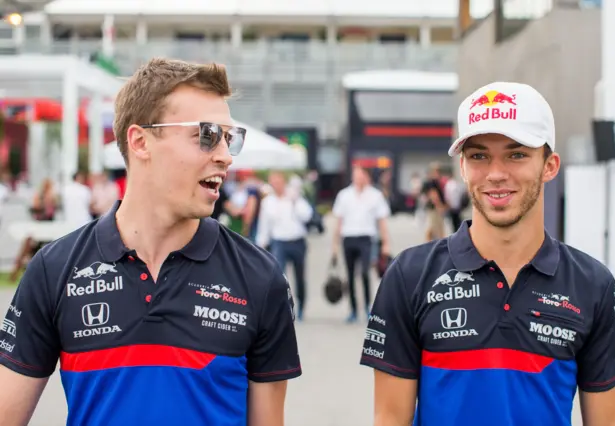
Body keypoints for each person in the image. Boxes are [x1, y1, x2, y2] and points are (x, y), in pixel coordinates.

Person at [0, 58, 301, 426]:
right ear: (140, 142)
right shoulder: (54, 270)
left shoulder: (259, 277)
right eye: (206, 134)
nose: (224, 155)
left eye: (229, 137)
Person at [360, 82, 615, 426]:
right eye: (479, 156)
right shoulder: (409, 275)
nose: (495, 173)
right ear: (462, 167)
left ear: (549, 166)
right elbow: (388, 419)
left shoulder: (592, 284)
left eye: (516, 154)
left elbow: (607, 422)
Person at [332, 166, 391, 323]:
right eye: (355, 175)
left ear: (367, 177)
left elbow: (382, 221)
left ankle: (367, 307)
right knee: (350, 275)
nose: (357, 178)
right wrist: (334, 246)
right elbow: (338, 222)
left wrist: (386, 243)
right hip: (348, 238)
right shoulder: (344, 195)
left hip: (366, 238)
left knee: (365, 273)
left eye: (360, 175)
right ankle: (352, 310)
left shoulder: (375, 195)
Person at [256, 171, 313, 321]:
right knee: (279, 278)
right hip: (279, 242)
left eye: (278, 181)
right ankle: (283, 307)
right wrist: (260, 245)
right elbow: (264, 225)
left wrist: (295, 201)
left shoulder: (294, 197)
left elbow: (307, 216)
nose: (276, 185)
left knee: (299, 276)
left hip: (297, 240)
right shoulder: (268, 202)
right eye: (273, 182)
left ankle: (301, 306)